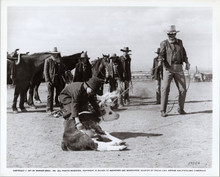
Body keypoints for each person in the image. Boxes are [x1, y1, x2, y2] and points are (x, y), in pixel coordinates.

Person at [158, 25, 190, 117]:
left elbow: (184, 54)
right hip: (168, 68)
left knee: (183, 90)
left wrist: (187, 62)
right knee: (165, 89)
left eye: (172, 34)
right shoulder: (163, 43)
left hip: (179, 68)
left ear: (175, 34)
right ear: (167, 34)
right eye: (169, 34)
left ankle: (181, 109)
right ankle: (162, 110)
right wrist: (160, 61)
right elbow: (161, 54)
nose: (170, 36)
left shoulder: (180, 42)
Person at [43, 47, 65, 114]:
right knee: (50, 95)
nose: (54, 55)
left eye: (55, 53)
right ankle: (49, 108)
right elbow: (45, 71)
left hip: (59, 80)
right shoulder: (48, 60)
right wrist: (47, 80)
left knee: (60, 94)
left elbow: (62, 70)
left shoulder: (60, 60)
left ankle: (62, 107)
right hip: (51, 80)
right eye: (53, 53)